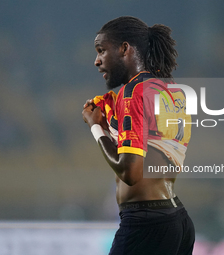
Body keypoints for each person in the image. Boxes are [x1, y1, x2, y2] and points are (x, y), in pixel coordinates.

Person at [82, 16, 195, 255]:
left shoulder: (134, 93)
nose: (97, 61)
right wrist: (110, 114)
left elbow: (131, 173)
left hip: (146, 224)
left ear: (125, 49)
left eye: (102, 50)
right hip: (177, 221)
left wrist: (96, 128)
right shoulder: (169, 89)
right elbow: (151, 145)